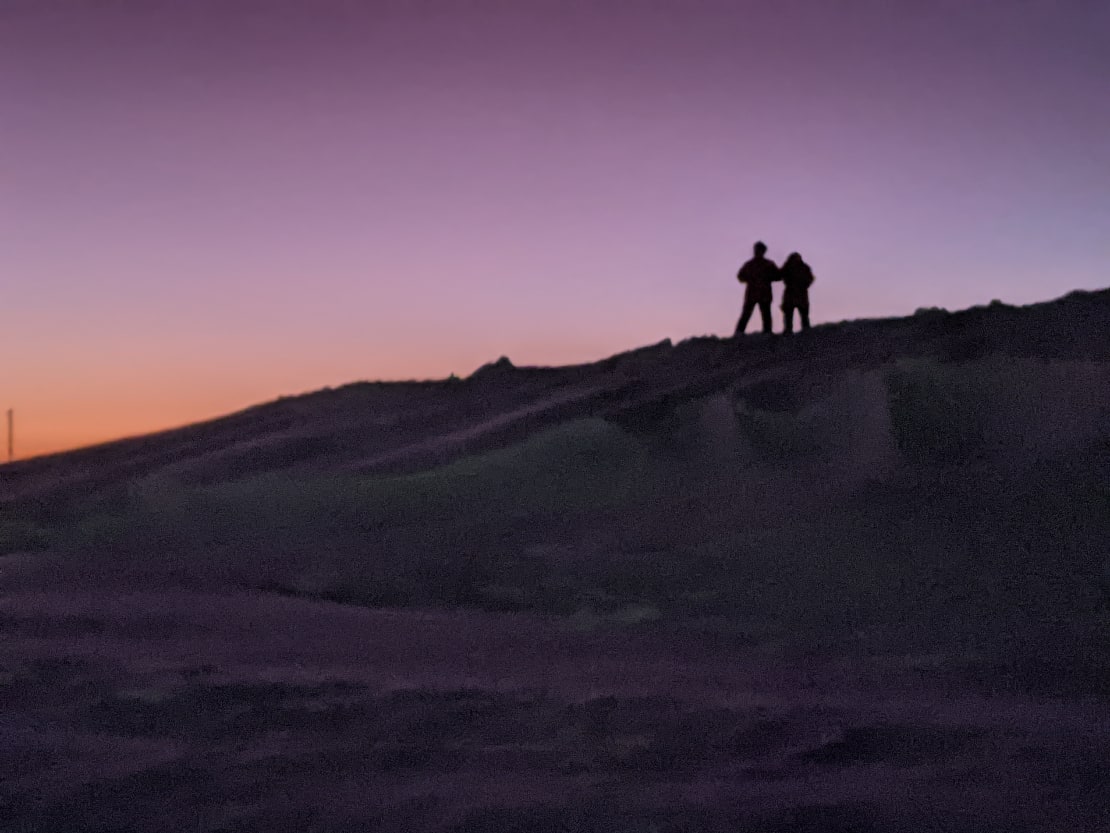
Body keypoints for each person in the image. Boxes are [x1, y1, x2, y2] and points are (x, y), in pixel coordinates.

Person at [734, 241, 779, 336]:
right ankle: (739, 333)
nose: (757, 252)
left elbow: (777, 276)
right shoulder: (754, 264)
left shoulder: (766, 264)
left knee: (765, 314)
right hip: (755, 294)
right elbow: (740, 276)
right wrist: (751, 278)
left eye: (759, 250)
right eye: (757, 250)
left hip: (761, 294)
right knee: (747, 314)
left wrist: (767, 277)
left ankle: (767, 333)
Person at [779, 252, 815, 334]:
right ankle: (789, 331)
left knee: (803, 315)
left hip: (800, 294)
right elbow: (780, 275)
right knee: (789, 315)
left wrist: (804, 285)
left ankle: (806, 331)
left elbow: (810, 279)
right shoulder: (788, 267)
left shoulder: (804, 267)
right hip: (792, 295)